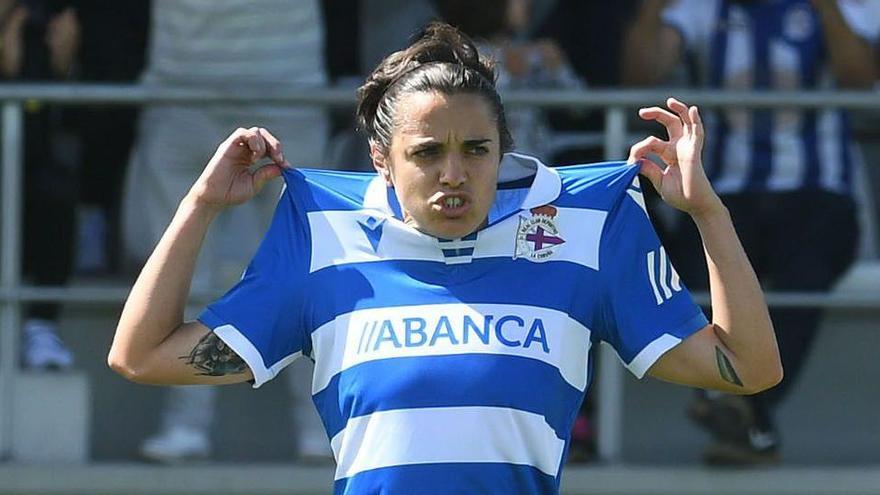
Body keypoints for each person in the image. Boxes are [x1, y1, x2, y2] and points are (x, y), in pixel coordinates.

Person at [109, 23, 781, 493]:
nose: (453, 173)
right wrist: (200, 205)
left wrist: (707, 215)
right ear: (382, 160)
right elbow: (140, 355)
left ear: (504, 147)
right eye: (427, 152)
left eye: (475, 149)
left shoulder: (584, 225)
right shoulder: (323, 234)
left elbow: (747, 366)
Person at [622, 0, 879, 465]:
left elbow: (860, 75)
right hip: (727, 192)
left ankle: (741, 407)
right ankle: (751, 418)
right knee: (689, 269)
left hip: (818, 193)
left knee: (808, 268)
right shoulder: (704, 10)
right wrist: (647, 11)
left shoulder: (845, 7)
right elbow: (641, 72)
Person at [120, 0, 330, 463]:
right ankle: (184, 427)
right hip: (180, 94)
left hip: (289, 91)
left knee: (310, 266)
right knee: (182, 273)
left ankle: (323, 428)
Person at [1, 0, 79, 370]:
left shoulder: (36, 23)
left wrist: (60, 67)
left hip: (28, 166)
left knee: (55, 192)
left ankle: (41, 325)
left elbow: (43, 118)